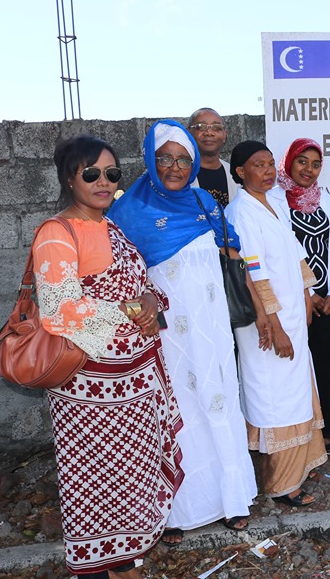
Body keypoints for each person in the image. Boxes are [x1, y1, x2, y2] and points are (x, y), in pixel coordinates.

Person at [35, 135, 183, 579]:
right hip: (89, 394)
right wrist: (126, 311)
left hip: (134, 387)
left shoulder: (111, 227)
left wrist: (152, 303)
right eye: (91, 173)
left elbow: (140, 287)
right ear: (69, 177)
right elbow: (58, 310)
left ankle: (128, 561)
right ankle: (101, 567)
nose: (104, 181)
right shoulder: (56, 234)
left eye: (112, 174)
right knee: (98, 486)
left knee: (131, 483)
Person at [109, 120, 261, 546]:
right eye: (165, 159)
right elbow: (118, 274)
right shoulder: (128, 212)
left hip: (211, 332)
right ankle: (178, 509)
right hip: (166, 336)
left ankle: (232, 501)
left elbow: (230, 254)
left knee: (218, 400)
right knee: (176, 411)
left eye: (183, 159)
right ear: (150, 162)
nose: (175, 167)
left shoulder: (204, 203)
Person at [226, 140, 328, 507]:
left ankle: (302, 465)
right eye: (258, 165)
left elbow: (295, 254)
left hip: (291, 316)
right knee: (275, 396)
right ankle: (282, 484)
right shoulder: (240, 213)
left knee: (297, 387)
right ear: (240, 172)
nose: (268, 171)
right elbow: (254, 274)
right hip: (266, 324)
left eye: (271, 164)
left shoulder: (277, 202)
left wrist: (307, 296)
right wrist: (276, 324)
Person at [271, 137, 330, 454]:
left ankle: (327, 432)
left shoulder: (326, 200)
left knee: (323, 364)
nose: (309, 169)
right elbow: (280, 254)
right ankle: (300, 434)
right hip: (295, 298)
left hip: (326, 301)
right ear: (289, 162)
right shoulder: (275, 200)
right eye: (302, 161)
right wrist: (307, 293)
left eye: (316, 163)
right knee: (293, 366)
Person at [189, 107, 237, 208]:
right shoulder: (180, 174)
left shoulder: (235, 176)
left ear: (224, 135)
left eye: (216, 127)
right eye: (201, 127)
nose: (209, 133)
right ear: (188, 133)